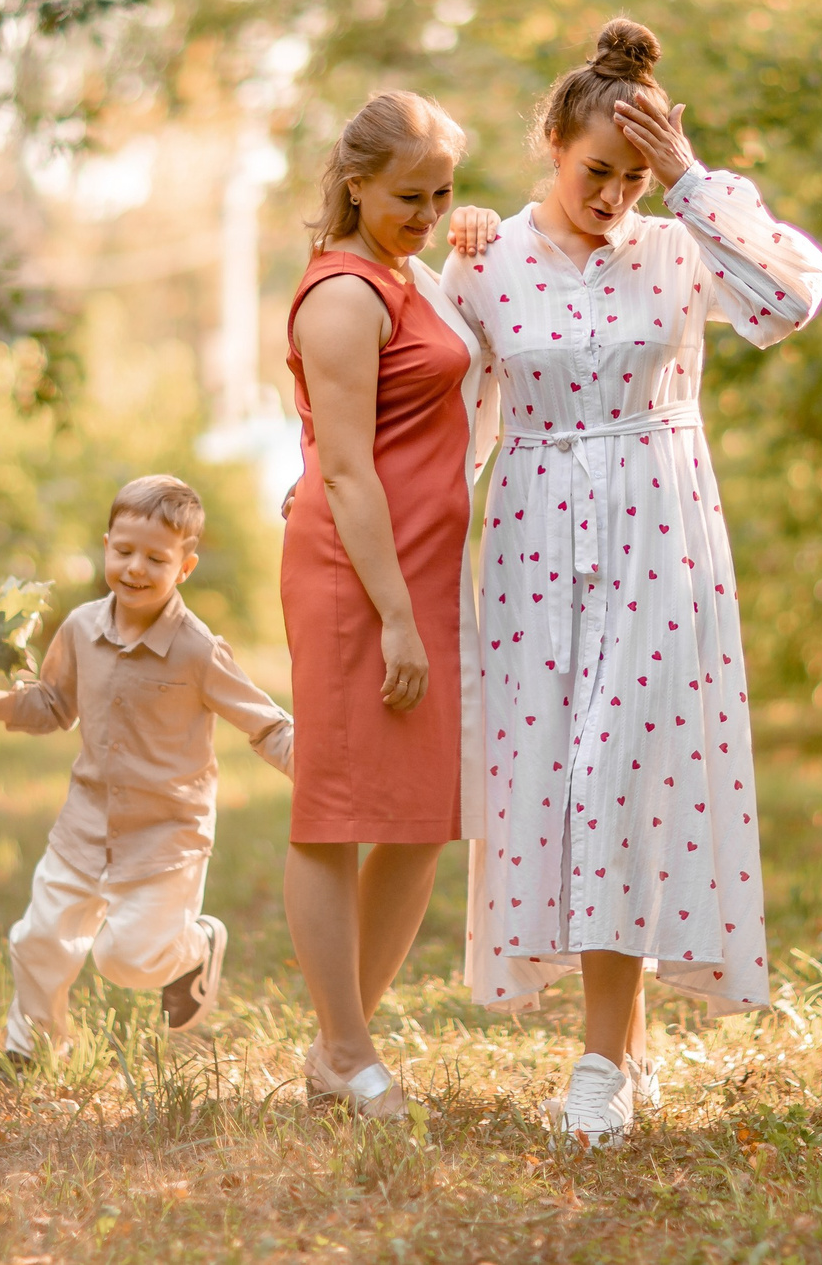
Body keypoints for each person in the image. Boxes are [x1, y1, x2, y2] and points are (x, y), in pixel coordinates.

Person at [442, 18, 822, 1147]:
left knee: (620, 772)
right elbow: (434, 408)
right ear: (549, 150)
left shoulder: (679, 244)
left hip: (661, 531)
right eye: (593, 171)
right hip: (529, 547)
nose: (613, 193)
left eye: (631, 173)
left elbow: (792, 298)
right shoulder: (485, 260)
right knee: (561, 787)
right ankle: (629, 1048)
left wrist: (693, 180)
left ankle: (599, 1063)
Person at [281, 91, 484, 1121]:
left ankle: (336, 1044)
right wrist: (395, 616)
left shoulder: (411, 276)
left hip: (425, 576)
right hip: (358, 578)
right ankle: (350, 1051)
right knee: (334, 815)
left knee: (416, 816)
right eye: (410, 196)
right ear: (355, 184)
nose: (430, 212)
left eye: (443, 193)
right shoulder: (343, 298)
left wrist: (477, 235)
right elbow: (348, 473)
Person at [0, 475, 294, 1064]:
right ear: (106, 544)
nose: (135, 567)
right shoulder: (81, 627)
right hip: (84, 824)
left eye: (156, 558)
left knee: (124, 960)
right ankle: (31, 1046)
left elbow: (267, 723)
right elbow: (53, 704)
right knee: (38, 940)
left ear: (184, 568)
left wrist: (323, 772)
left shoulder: (198, 649)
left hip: (166, 836)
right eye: (123, 551)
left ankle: (196, 946)